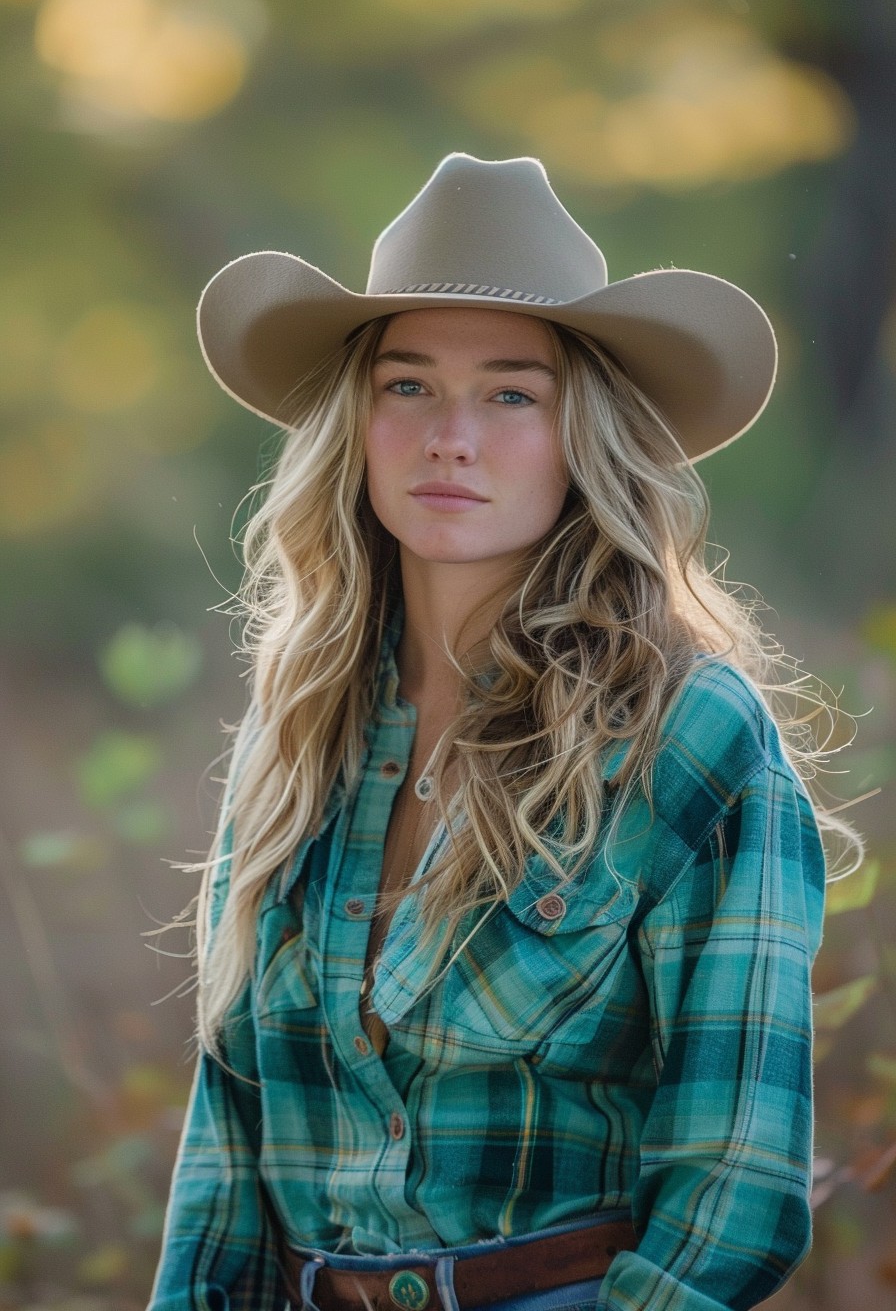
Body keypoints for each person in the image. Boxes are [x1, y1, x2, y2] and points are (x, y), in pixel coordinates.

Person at [149, 154, 858, 1311]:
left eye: (511, 393)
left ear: (590, 434)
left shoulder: (687, 734)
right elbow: (223, 1152)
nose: (449, 438)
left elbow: (732, 1188)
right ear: (357, 419)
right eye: (408, 385)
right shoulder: (296, 732)